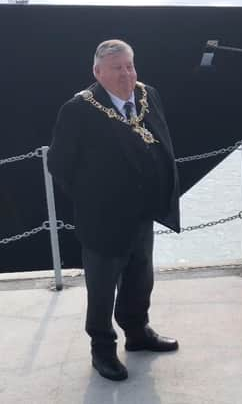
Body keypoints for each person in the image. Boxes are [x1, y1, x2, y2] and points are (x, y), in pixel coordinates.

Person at [48, 39, 181, 381]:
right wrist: (92, 198)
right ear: (98, 72)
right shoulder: (77, 109)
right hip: (102, 218)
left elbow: (162, 139)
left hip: (142, 211)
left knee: (141, 276)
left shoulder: (147, 95)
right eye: (116, 68)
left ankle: (138, 333)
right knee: (103, 286)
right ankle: (102, 349)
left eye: (129, 66)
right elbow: (60, 165)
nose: (126, 74)